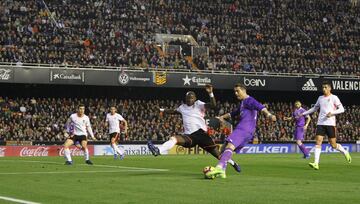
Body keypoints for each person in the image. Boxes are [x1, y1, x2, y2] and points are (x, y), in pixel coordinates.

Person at [147, 84, 241, 172]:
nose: (189, 99)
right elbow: (172, 111)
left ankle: (233, 163)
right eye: (188, 98)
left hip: (202, 135)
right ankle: (158, 151)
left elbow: (213, 105)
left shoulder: (199, 104)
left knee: (218, 155)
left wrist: (210, 93)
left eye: (191, 98)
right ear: (186, 99)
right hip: (190, 136)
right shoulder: (182, 107)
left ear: (195, 98)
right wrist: (161, 110)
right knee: (174, 138)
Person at [206, 83, 276, 179]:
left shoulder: (249, 100)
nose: (236, 93)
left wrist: (269, 115)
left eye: (237, 91)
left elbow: (261, 107)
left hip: (244, 128)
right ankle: (224, 170)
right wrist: (222, 117)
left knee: (229, 146)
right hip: (247, 131)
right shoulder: (243, 103)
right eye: (235, 91)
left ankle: (219, 168)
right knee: (223, 149)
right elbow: (232, 113)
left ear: (244, 90)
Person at [299, 81, 351, 170]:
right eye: (323, 87)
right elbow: (315, 108)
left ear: (330, 88)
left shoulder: (334, 97)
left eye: (325, 87)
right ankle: (316, 163)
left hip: (330, 124)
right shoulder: (320, 98)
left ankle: (345, 152)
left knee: (333, 145)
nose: (324, 89)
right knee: (318, 142)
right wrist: (304, 113)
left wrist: (332, 113)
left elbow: (342, 109)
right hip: (321, 123)